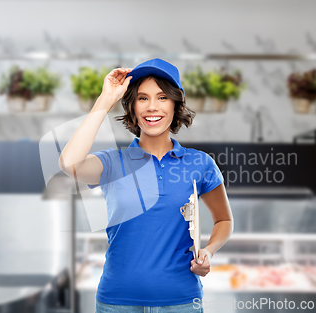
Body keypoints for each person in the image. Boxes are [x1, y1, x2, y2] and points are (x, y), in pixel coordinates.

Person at [58, 58, 233, 312]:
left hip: (182, 302)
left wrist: (209, 251)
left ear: (176, 104)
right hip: (117, 303)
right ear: (132, 107)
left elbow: (224, 221)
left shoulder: (200, 163)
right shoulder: (113, 163)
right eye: (142, 98)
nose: (152, 107)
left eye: (162, 97)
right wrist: (106, 99)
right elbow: (69, 163)